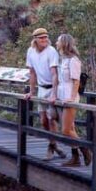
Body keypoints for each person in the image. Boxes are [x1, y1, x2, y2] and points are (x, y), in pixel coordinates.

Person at [24, 27, 66, 160]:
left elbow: (54, 74)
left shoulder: (51, 51)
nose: (44, 40)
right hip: (41, 89)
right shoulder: (31, 51)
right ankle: (55, 146)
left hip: (53, 89)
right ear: (35, 39)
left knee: (51, 119)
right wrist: (31, 91)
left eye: (46, 37)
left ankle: (50, 149)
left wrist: (54, 94)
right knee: (43, 121)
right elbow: (32, 72)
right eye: (41, 38)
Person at [55, 33, 91, 167]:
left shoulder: (73, 60)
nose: (56, 43)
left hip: (70, 97)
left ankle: (85, 149)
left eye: (58, 41)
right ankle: (75, 158)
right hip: (62, 96)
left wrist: (71, 98)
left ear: (64, 43)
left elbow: (76, 81)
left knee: (65, 130)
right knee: (71, 129)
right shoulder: (63, 59)